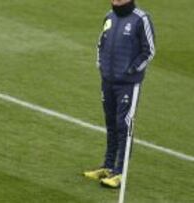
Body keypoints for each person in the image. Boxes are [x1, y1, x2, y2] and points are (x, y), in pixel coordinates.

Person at [84, 0, 155, 188]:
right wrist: (101, 65)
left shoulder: (141, 19)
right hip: (108, 81)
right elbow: (101, 43)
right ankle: (108, 166)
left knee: (124, 125)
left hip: (128, 85)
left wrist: (131, 70)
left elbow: (149, 51)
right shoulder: (109, 17)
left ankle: (120, 172)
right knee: (111, 123)